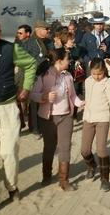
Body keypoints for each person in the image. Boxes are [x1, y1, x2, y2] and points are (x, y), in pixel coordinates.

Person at [0, 18, 36, 214]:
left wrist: (26, 88)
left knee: (9, 153)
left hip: (8, 107)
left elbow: (30, 64)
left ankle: (12, 186)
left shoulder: (10, 49)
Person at [29, 48, 84, 191]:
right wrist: (44, 97)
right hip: (48, 118)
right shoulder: (44, 76)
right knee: (49, 147)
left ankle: (64, 180)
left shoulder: (68, 76)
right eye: (68, 59)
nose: (70, 61)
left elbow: (72, 96)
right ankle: (46, 176)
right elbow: (33, 94)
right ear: (59, 61)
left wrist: (81, 103)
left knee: (65, 147)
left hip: (66, 116)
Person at [81, 58, 110, 191]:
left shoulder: (108, 84)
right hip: (88, 119)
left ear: (104, 71)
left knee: (101, 150)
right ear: (90, 70)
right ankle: (91, 166)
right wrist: (83, 105)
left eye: (100, 73)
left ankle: (105, 180)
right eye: (94, 73)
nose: (97, 76)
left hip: (103, 119)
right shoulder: (87, 81)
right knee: (84, 150)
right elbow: (88, 98)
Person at [21, 20, 54, 137]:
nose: (48, 31)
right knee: (35, 103)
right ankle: (35, 128)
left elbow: (52, 55)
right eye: (46, 29)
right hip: (34, 75)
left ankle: (44, 124)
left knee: (45, 101)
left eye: (48, 29)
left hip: (47, 74)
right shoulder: (29, 42)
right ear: (37, 29)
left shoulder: (49, 41)